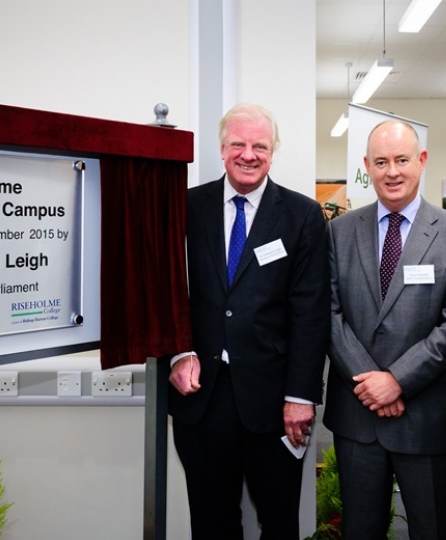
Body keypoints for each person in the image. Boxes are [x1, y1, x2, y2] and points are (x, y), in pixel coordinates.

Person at [167, 103, 330, 540]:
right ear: (222, 149)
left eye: (260, 145)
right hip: (202, 400)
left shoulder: (302, 216)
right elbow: (166, 292)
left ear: (272, 152)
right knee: (212, 522)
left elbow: (310, 312)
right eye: (238, 144)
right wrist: (179, 352)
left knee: (278, 523)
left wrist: (301, 395)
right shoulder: (186, 208)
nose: (249, 154)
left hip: (276, 401)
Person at [324, 120, 446, 540]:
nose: (392, 171)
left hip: (425, 416)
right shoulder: (339, 231)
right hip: (358, 419)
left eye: (402, 160)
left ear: (422, 161)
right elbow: (330, 314)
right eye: (381, 162)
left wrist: (397, 381)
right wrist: (371, 384)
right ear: (367, 167)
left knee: (431, 530)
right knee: (360, 530)